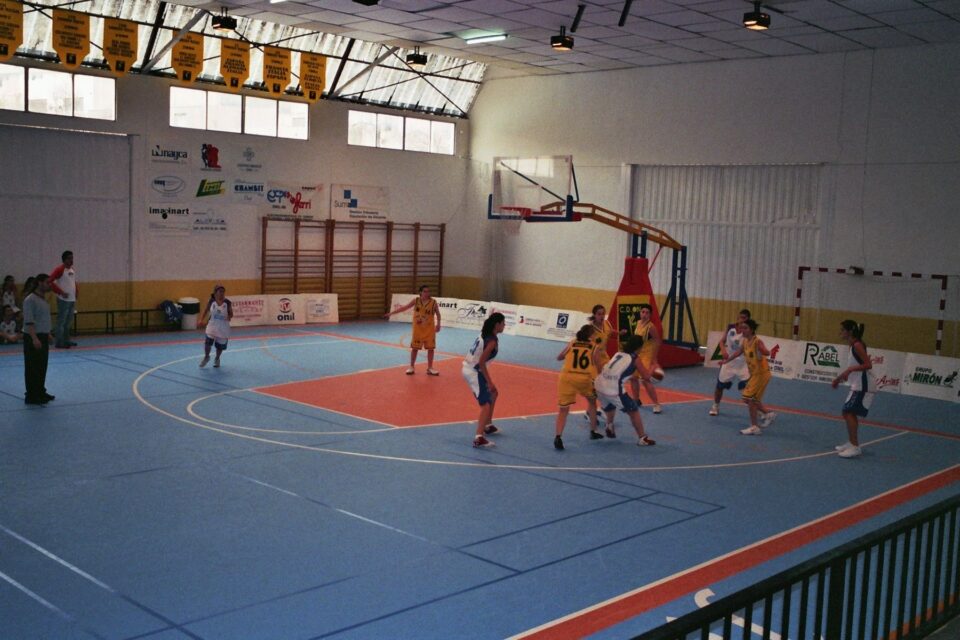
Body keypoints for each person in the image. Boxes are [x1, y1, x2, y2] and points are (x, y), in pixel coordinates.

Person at [594, 335, 656, 446]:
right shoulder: (635, 359)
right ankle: (642, 438)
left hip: (599, 385)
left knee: (610, 405)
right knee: (634, 411)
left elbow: (617, 370)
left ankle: (609, 426)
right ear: (639, 347)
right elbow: (646, 377)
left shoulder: (618, 354)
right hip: (613, 389)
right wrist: (653, 367)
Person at [721, 319, 776, 435]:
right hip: (755, 375)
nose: (742, 330)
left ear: (751, 330)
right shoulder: (745, 342)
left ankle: (754, 427)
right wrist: (726, 361)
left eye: (745, 328)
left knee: (750, 400)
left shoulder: (757, 342)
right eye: (742, 328)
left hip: (761, 374)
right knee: (747, 399)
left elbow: (767, 352)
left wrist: (762, 352)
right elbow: (737, 353)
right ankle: (768, 414)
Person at [554, 324, 604, 450]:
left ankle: (558, 436)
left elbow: (559, 357)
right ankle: (593, 431)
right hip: (583, 378)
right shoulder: (594, 347)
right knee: (592, 402)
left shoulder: (573, 342)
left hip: (566, 378)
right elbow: (599, 367)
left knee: (563, 410)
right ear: (591, 335)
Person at [831, 320, 875, 459]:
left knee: (849, 412)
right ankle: (851, 442)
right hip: (857, 384)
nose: (840, 332)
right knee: (846, 412)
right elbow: (854, 367)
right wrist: (839, 378)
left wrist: (850, 369)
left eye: (842, 330)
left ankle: (855, 446)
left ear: (849, 331)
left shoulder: (857, 346)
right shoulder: (853, 346)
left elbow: (868, 365)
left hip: (864, 385)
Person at [462, 312, 505, 448]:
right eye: (503, 323)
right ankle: (479, 438)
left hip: (472, 369)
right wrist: (490, 381)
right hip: (473, 371)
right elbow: (481, 363)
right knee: (485, 404)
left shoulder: (484, 334)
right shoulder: (491, 341)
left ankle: (488, 425)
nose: (504, 325)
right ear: (497, 325)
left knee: (494, 393)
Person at [384, 285, 442, 376]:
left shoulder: (433, 302)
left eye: (428, 291)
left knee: (431, 349)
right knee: (415, 348)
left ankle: (430, 368)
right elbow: (404, 308)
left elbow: (438, 314)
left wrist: (438, 324)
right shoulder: (416, 301)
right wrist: (391, 313)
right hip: (418, 329)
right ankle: (411, 367)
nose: (427, 293)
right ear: (420, 292)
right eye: (425, 291)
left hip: (429, 329)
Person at [709, 309, 752, 416]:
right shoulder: (730, 327)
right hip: (729, 363)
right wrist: (723, 350)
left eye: (744, 318)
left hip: (742, 363)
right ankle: (715, 406)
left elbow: (742, 349)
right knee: (719, 386)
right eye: (740, 316)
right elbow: (721, 341)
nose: (741, 319)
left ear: (748, 320)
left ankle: (757, 409)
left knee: (747, 390)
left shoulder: (748, 331)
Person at [21, 273, 55, 405]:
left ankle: (40, 390)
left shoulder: (43, 300)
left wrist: (48, 334)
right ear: (39, 283)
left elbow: (43, 319)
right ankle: (31, 395)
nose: (49, 285)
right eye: (47, 282)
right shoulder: (30, 300)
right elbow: (29, 321)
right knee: (32, 367)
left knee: (42, 366)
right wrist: (34, 338)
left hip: (42, 335)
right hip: (32, 336)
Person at [628, 304, 663, 413]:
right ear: (640, 313)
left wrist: (654, 359)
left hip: (647, 355)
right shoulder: (638, 323)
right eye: (643, 312)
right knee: (633, 378)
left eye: (647, 312)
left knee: (645, 380)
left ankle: (656, 404)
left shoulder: (651, 327)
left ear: (650, 315)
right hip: (637, 354)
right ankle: (636, 399)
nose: (644, 314)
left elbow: (658, 341)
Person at [198, 285, 233, 368]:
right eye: (220, 291)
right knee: (207, 342)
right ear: (215, 293)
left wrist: (229, 316)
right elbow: (206, 310)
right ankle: (206, 357)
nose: (222, 293)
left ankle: (217, 358)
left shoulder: (227, 302)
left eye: (223, 292)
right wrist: (201, 319)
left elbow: (231, 314)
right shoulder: (211, 301)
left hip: (223, 327)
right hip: (212, 325)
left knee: (219, 346)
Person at [49, 250, 78, 349]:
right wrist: (60, 292)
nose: (71, 260)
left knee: (68, 322)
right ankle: (59, 342)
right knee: (61, 322)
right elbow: (50, 281)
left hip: (71, 300)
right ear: (64, 259)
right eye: (69, 258)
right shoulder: (59, 269)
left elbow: (73, 283)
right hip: (63, 300)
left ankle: (66, 340)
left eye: (72, 258)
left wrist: (76, 293)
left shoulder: (72, 270)